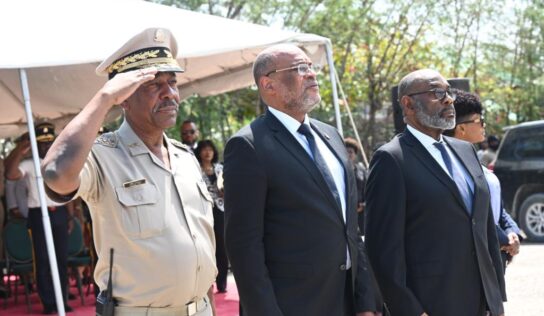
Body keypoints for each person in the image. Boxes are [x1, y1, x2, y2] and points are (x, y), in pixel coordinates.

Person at [41, 28, 217, 316]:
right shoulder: (101, 155)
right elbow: (55, 175)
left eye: (172, 82)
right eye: (153, 85)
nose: (169, 94)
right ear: (123, 98)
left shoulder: (185, 157)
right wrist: (102, 99)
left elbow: (201, 245)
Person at [223, 44, 383, 316]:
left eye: (311, 67)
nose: (311, 74)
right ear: (268, 84)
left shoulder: (331, 135)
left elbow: (350, 228)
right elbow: (244, 246)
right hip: (292, 305)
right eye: (300, 69)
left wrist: (366, 300)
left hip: (346, 301)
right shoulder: (248, 145)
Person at [365, 69, 506, 316]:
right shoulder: (391, 159)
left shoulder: (466, 151)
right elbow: (382, 252)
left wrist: (495, 297)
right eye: (437, 93)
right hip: (433, 304)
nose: (449, 99)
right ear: (408, 104)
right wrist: (411, 310)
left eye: (448, 92)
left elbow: (481, 227)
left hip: (482, 302)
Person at [443, 89, 522, 269]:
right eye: (479, 121)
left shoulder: (482, 169)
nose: (484, 125)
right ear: (461, 128)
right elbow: (470, 218)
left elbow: (499, 210)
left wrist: (512, 232)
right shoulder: (450, 171)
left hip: (496, 256)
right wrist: (502, 238)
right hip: (472, 263)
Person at [4, 123, 73, 314]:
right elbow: (10, 174)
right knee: (42, 260)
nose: (46, 147)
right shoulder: (28, 163)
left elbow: (67, 191)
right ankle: (49, 302)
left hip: (59, 213)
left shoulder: (61, 161)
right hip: (38, 214)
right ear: (35, 144)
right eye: (41, 143)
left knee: (61, 259)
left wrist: (70, 216)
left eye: (49, 143)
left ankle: (62, 300)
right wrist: (21, 148)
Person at [195, 140, 228, 293]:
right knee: (206, 246)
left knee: (221, 246)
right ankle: (207, 283)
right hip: (202, 211)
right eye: (204, 149)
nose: (207, 152)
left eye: (210, 149)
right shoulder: (194, 169)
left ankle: (222, 282)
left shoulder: (220, 168)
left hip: (220, 210)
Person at [344, 137, 368, 235]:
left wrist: (364, 204)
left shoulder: (362, 171)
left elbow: (369, 190)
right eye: (346, 152)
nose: (348, 154)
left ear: (355, 154)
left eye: (350, 152)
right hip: (346, 213)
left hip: (362, 213)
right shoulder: (339, 171)